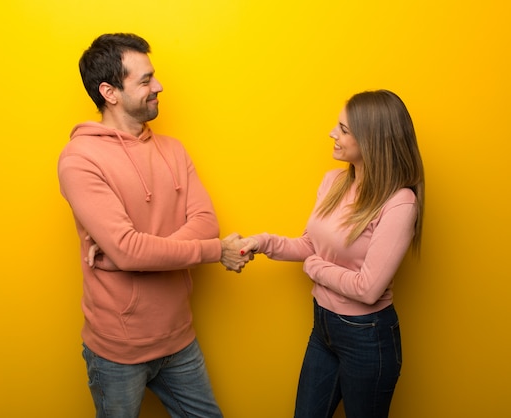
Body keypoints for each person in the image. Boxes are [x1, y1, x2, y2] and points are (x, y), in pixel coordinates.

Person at [57, 33, 250, 418]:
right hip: (118, 351)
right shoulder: (80, 160)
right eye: (145, 80)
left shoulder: (173, 150)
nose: (158, 86)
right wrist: (215, 251)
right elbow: (131, 250)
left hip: (180, 339)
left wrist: (131, 255)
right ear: (109, 92)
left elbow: (204, 222)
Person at [238, 90, 425, 418]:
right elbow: (310, 245)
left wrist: (314, 268)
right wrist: (263, 242)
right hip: (323, 327)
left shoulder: (399, 203)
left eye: (343, 129)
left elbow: (368, 289)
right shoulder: (334, 181)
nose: (332, 134)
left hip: (367, 336)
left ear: (372, 140)